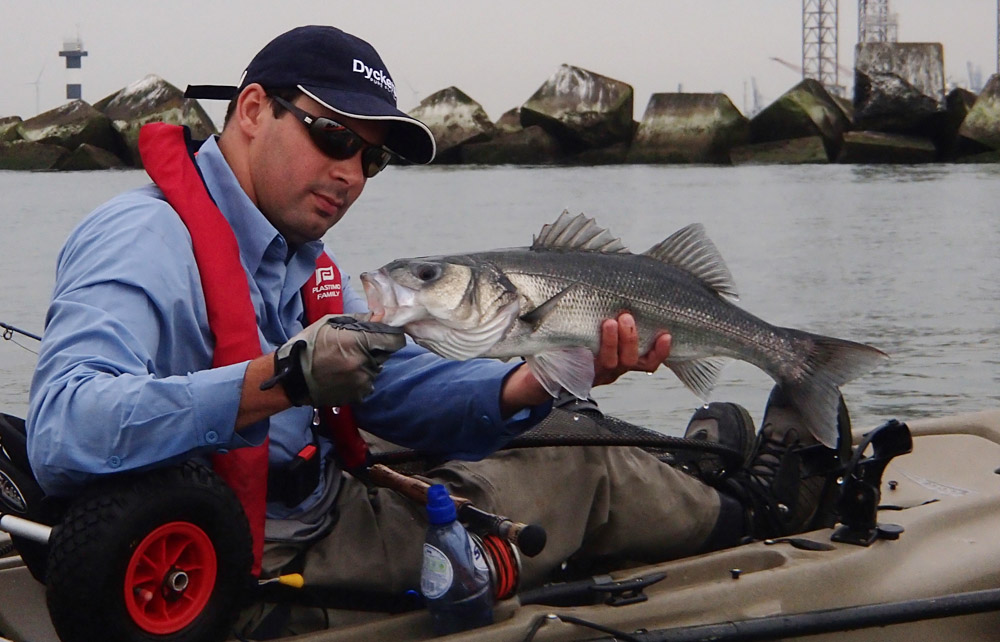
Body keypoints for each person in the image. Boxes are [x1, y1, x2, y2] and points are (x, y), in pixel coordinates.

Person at [26, 24, 849, 635]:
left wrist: (530, 381)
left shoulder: (289, 253)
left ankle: (698, 465)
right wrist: (282, 380)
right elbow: (62, 429)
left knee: (551, 416)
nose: (350, 174)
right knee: (577, 461)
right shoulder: (143, 241)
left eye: (372, 158)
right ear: (250, 110)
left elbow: (393, 388)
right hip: (257, 552)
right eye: (333, 137)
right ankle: (755, 509)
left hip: (299, 491)